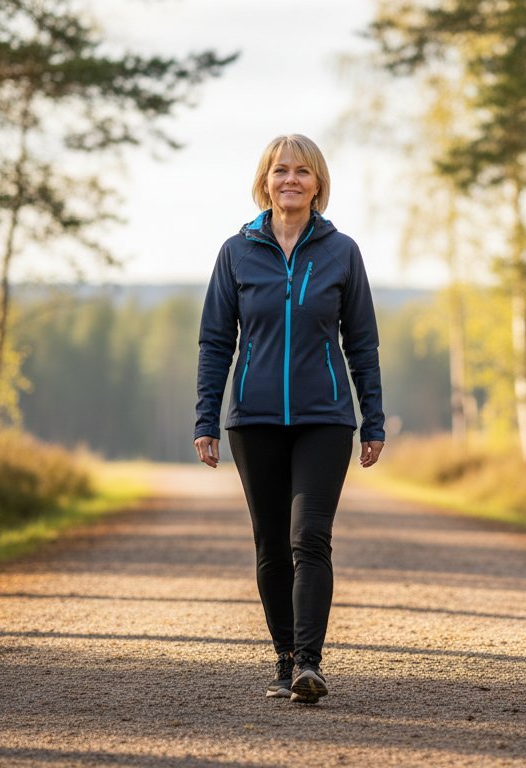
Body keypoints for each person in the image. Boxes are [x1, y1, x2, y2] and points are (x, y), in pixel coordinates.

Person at [193, 134, 385, 705]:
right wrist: (206, 419)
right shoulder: (236, 252)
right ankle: (283, 658)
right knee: (272, 545)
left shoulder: (342, 251)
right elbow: (215, 342)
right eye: (280, 171)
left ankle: (308, 662)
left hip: (325, 417)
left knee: (310, 537)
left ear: (318, 183)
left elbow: (362, 343)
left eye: (302, 171)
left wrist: (373, 420)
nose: (291, 180)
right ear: (265, 181)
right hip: (253, 419)